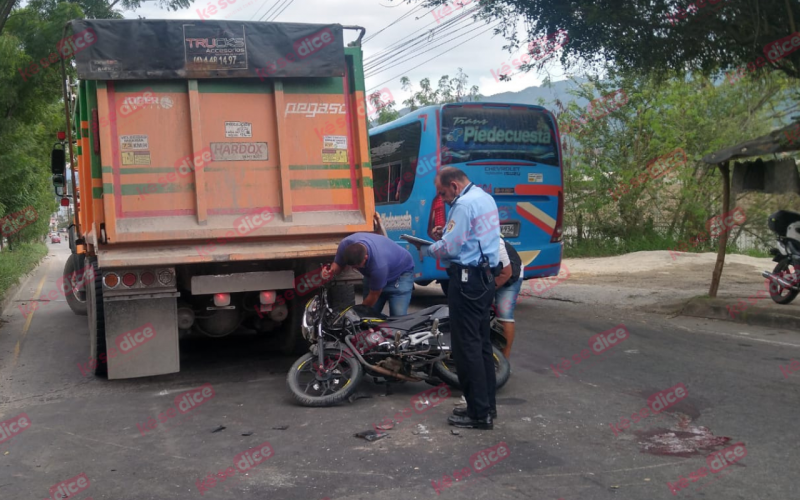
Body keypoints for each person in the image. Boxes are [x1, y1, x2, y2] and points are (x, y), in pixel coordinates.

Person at [409, 167, 500, 430]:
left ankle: (477, 414)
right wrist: (445, 237)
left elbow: (452, 248)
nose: (443, 199)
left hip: (467, 281)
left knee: (465, 348)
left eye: (442, 193)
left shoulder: (462, 204)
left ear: (455, 186)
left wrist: (426, 247)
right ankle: (486, 407)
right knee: (482, 346)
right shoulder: (485, 198)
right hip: (484, 279)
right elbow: (467, 240)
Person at [321, 215, 415, 316]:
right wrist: (331, 271)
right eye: (351, 266)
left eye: (357, 267)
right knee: (368, 319)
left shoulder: (378, 265)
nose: (354, 269)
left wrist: (356, 314)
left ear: (365, 258)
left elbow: (373, 296)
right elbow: (338, 264)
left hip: (400, 275)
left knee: (398, 318)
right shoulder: (345, 244)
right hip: (376, 275)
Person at [494, 237, 522, 359]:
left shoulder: (494, 240)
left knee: (504, 313)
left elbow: (506, 273)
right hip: (490, 272)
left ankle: (504, 361)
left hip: (510, 274)